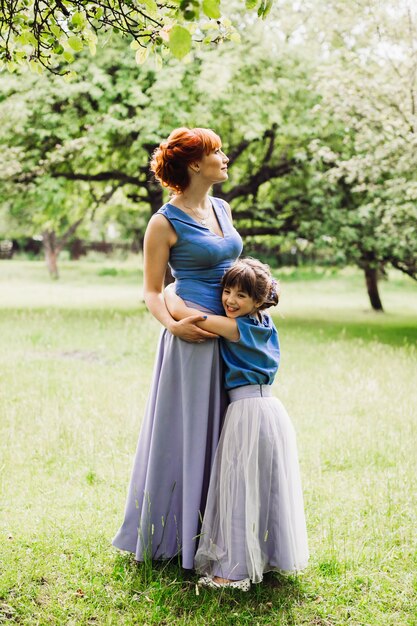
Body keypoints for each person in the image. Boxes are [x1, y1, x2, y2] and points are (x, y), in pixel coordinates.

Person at [112, 127, 243, 569]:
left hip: (233, 330)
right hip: (192, 338)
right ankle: (176, 540)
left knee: (233, 428)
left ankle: (225, 534)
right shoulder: (163, 221)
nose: (224, 158)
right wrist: (174, 325)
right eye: (216, 152)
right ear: (194, 164)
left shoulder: (222, 207)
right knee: (188, 432)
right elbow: (152, 290)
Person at [164, 257, 309, 590]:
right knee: (263, 488)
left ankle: (232, 571)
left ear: (258, 300)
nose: (230, 300)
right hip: (270, 410)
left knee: (239, 488)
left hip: (246, 413)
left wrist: (171, 291)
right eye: (227, 291)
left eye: (240, 295)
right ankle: (267, 556)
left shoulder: (237, 327)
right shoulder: (265, 324)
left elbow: (192, 318)